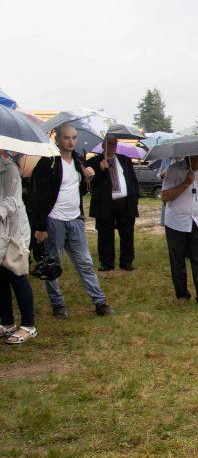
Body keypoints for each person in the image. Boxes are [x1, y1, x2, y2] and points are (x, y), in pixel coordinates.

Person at [30, 124, 114, 317]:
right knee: (52, 264)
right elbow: (39, 197)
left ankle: (100, 302)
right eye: (67, 138)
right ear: (57, 139)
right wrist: (41, 227)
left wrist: (88, 179)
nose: (71, 141)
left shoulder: (79, 160)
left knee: (85, 262)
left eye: (74, 137)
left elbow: (82, 190)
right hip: (54, 220)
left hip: (75, 219)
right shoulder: (48, 163)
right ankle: (58, 305)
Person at [161, 155, 198, 309]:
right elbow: (165, 197)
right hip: (176, 223)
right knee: (177, 260)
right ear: (190, 156)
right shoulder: (173, 169)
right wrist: (186, 183)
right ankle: (181, 294)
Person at [86, 136, 140, 271]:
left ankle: (126, 262)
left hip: (125, 202)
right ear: (103, 145)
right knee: (105, 234)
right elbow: (90, 184)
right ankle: (106, 263)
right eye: (110, 143)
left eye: (114, 143)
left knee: (127, 233)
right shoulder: (94, 161)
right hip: (105, 204)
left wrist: (135, 196)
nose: (112, 146)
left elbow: (133, 180)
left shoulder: (125, 160)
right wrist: (100, 169)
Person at [0, 153, 37, 343]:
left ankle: (29, 326)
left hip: (15, 232)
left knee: (16, 275)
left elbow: (12, 202)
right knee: (0, 276)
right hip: (0, 232)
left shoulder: (10, 169)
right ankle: (6, 323)